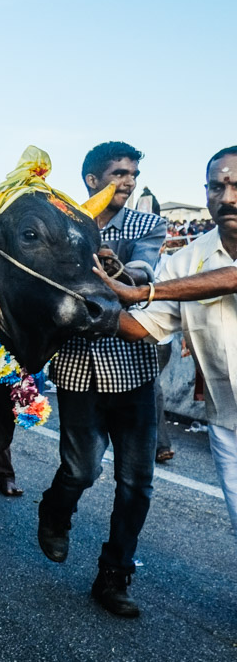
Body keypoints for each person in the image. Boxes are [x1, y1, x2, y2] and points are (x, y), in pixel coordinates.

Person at [37, 141, 167, 618]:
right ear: (92, 180)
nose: (128, 182)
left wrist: (120, 271)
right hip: (76, 369)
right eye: (118, 173)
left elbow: (144, 268)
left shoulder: (147, 224)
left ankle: (114, 577)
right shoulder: (63, 220)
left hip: (133, 369)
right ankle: (54, 511)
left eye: (133, 173)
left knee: (137, 483)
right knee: (81, 471)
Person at [103, 146, 237, 542]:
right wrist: (86, 301)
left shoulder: (170, 277)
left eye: (236, 186)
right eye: (216, 187)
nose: (227, 198)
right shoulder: (187, 259)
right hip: (228, 420)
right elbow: (140, 326)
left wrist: (144, 290)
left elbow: (231, 278)